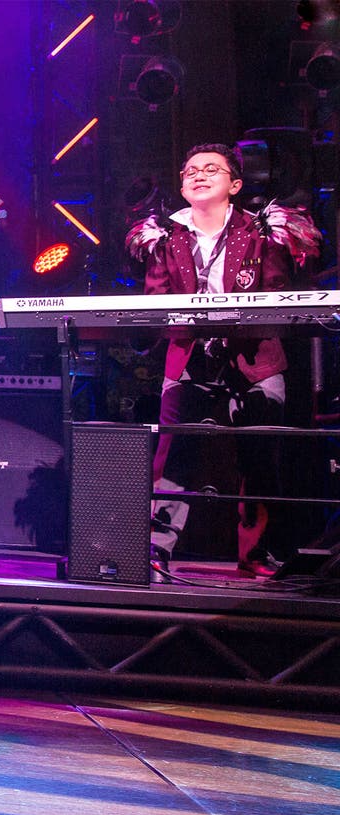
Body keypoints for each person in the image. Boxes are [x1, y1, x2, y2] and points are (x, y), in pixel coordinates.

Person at [126, 143, 321, 580]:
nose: (199, 175)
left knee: (260, 458)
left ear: (234, 185)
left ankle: (258, 556)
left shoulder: (263, 231)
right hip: (189, 356)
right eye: (190, 171)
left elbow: (276, 293)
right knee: (174, 457)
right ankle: (156, 551)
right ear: (182, 187)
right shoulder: (166, 237)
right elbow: (155, 300)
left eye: (211, 169)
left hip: (254, 356)